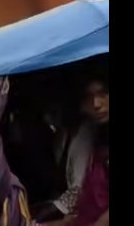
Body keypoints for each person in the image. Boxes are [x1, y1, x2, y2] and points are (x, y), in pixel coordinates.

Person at [43, 73, 109, 226]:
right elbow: (91, 200)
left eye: (104, 93)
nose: (96, 103)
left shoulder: (86, 133)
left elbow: (77, 188)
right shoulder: (96, 140)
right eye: (89, 96)